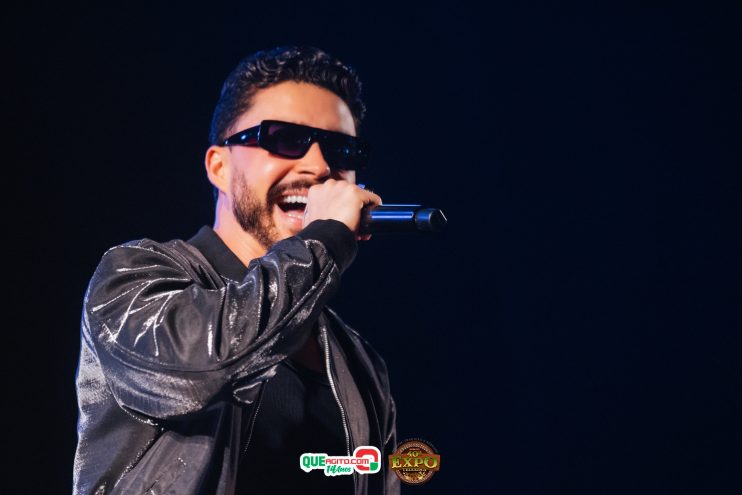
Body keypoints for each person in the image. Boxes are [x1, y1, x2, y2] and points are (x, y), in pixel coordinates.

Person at [73, 46, 400, 495]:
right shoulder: (133, 278)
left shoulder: (359, 364)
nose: (321, 167)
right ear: (219, 166)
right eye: (285, 139)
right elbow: (203, 369)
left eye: (342, 150)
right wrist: (324, 239)